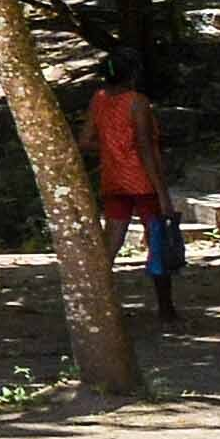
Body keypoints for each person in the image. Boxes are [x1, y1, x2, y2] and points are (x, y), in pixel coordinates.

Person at [85, 48, 177, 322]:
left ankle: (96, 305)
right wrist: (163, 194)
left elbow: (84, 141)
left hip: (113, 179)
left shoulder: (98, 100)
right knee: (157, 242)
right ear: (134, 74)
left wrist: (111, 149)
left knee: (110, 243)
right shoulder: (138, 102)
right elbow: (145, 149)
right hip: (141, 181)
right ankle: (165, 308)